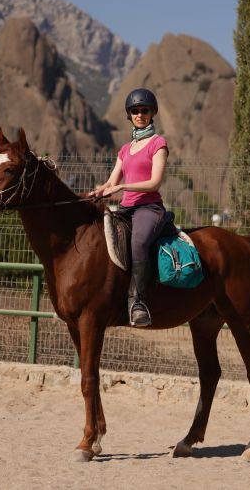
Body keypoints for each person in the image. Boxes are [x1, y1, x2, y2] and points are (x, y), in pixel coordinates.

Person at [88, 88, 168, 327]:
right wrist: (97, 192)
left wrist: (124, 187)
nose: (140, 114)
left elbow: (155, 182)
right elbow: (111, 182)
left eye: (144, 110)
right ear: (129, 115)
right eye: (135, 111)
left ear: (152, 113)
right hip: (125, 209)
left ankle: (138, 302)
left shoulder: (158, 143)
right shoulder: (125, 149)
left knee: (139, 241)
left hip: (149, 208)